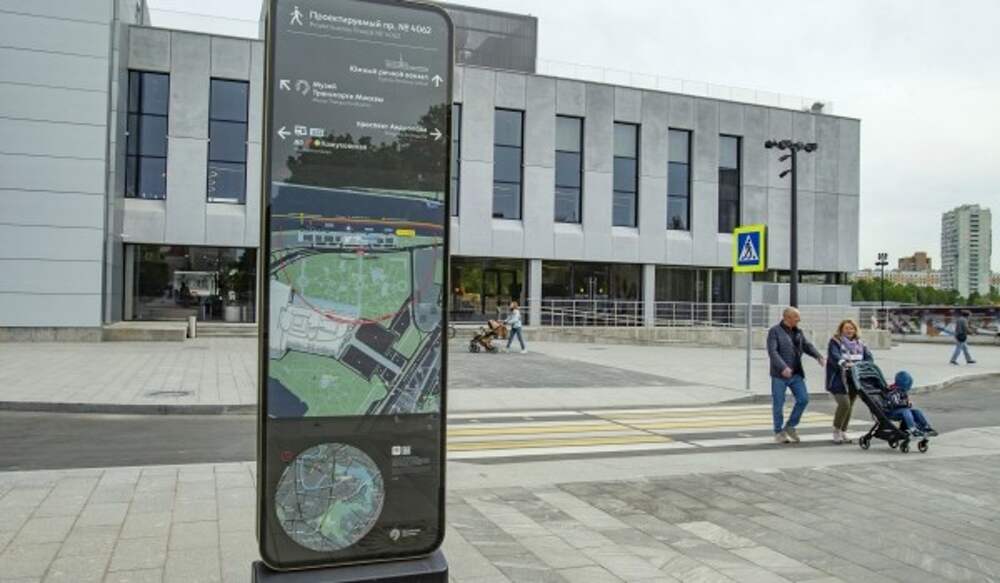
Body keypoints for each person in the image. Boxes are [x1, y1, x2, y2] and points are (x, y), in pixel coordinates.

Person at [767, 307, 826, 444]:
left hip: (796, 374)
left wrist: (818, 356)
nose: (799, 320)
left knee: (803, 399)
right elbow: (772, 352)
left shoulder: (798, 332)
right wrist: (783, 367)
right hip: (779, 375)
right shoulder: (774, 331)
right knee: (778, 403)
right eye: (796, 317)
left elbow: (807, 346)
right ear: (787, 317)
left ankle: (790, 426)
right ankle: (778, 432)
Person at [826, 319, 873, 444]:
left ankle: (843, 431)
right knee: (844, 404)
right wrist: (845, 363)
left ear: (855, 330)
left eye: (852, 328)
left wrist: (864, 365)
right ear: (841, 330)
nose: (849, 331)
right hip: (838, 379)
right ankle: (836, 430)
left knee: (850, 405)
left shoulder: (860, 343)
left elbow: (869, 358)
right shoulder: (835, 341)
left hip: (854, 379)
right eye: (846, 328)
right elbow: (834, 356)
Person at [886, 371, 938, 437]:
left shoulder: (902, 391)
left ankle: (926, 427)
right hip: (893, 412)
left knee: (916, 411)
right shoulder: (893, 391)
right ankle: (913, 429)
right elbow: (895, 403)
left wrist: (907, 403)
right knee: (906, 411)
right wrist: (907, 403)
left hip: (901, 410)